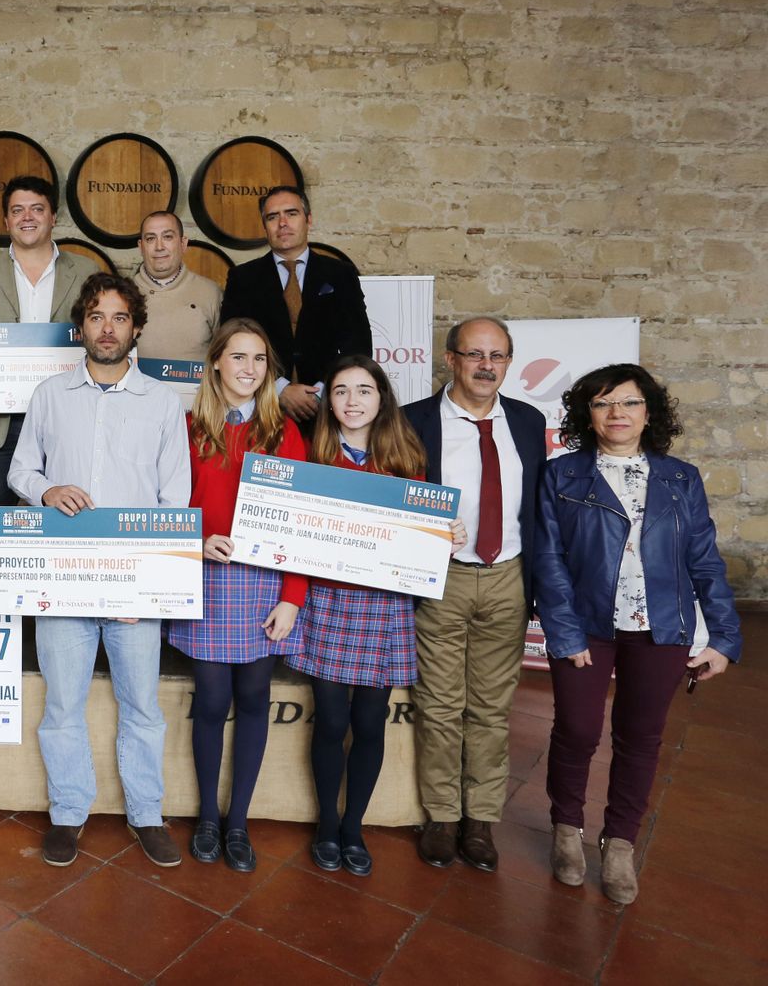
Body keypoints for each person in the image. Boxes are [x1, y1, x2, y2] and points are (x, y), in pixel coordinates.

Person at [535, 364, 741, 904]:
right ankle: (567, 828)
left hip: (663, 628)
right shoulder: (561, 475)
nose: (617, 413)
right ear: (588, 414)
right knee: (578, 730)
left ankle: (620, 841)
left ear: (649, 413)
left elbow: (703, 559)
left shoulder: (681, 477)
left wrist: (723, 636)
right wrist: (564, 630)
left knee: (641, 738)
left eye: (628, 403)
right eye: (604, 404)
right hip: (587, 627)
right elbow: (549, 561)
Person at [8, 273, 191, 870]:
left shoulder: (163, 402)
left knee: (142, 705)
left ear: (136, 328)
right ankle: (67, 813)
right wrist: (46, 489)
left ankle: (146, 813)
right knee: (62, 705)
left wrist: (153, 587)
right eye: (96, 317)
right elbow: (19, 471)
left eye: (118, 318)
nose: (107, 328)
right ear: (80, 327)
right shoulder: (49, 394)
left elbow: (176, 502)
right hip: (64, 579)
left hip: (135, 586)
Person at [288, 356, 464, 877]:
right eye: (341, 391)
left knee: (369, 722)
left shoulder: (406, 456)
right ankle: (325, 825)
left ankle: (353, 827)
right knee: (331, 721)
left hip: (384, 604)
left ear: (382, 398)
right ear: (329, 401)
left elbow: (423, 534)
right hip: (327, 600)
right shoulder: (313, 455)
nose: (352, 401)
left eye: (364, 391)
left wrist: (448, 537)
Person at [402, 317, 545, 871]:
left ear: (508, 363)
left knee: (490, 708)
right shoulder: (415, 421)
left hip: (509, 576)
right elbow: (393, 497)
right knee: (439, 706)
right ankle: (441, 815)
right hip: (444, 578)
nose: (487, 366)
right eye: (475, 354)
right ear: (450, 359)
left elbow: (538, 509)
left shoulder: (529, 423)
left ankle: (479, 820)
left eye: (498, 356)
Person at [166, 318, 308, 872]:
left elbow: (300, 526)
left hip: (265, 583)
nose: (249, 369)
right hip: (205, 576)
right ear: (217, 363)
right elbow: (168, 503)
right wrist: (193, 542)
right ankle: (206, 817)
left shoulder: (284, 434)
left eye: (259, 360)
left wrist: (293, 596)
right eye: (239, 357)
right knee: (210, 701)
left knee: (253, 700)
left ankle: (239, 822)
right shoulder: (186, 427)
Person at [0, 175, 89, 565]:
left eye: (37, 209)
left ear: (53, 216)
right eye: (17, 210)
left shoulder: (86, 269)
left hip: (66, 423)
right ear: (6, 221)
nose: (27, 217)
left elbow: (100, 343)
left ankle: (57, 620)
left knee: (67, 526)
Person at [218, 186, 371, 423]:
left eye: (291, 213)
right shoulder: (243, 278)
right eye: (272, 217)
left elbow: (359, 344)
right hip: (264, 407)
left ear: (308, 219)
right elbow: (230, 343)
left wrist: (323, 390)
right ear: (264, 226)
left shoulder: (341, 274)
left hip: (330, 409)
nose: (282, 223)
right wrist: (279, 388)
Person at [131, 211, 221, 364]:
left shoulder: (211, 293)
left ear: (183, 243)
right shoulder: (122, 293)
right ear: (141, 247)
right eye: (151, 238)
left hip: (195, 388)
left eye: (167, 237)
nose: (159, 246)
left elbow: (225, 355)